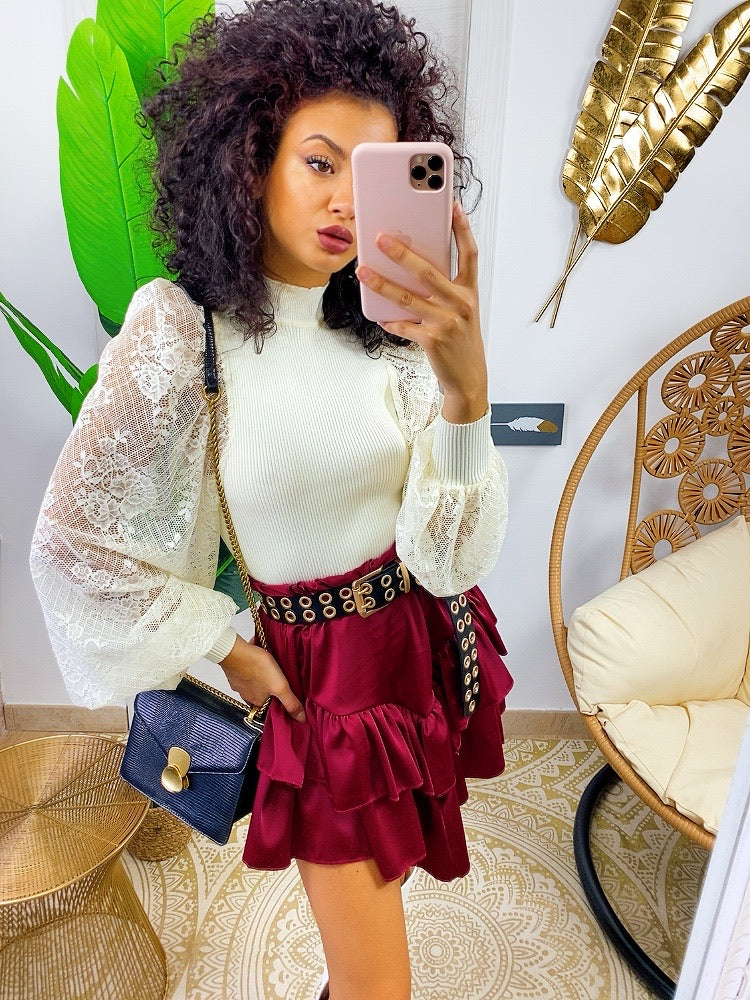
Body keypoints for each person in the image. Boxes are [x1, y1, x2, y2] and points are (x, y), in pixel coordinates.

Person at [30, 1, 512, 997]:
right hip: (319, 686)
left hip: (417, 642)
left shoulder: (388, 335)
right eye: (319, 162)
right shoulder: (183, 332)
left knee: (380, 916)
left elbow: (448, 558)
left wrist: (466, 393)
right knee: (382, 980)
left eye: (370, 175)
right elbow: (73, 546)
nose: (345, 202)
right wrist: (228, 646)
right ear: (250, 159)